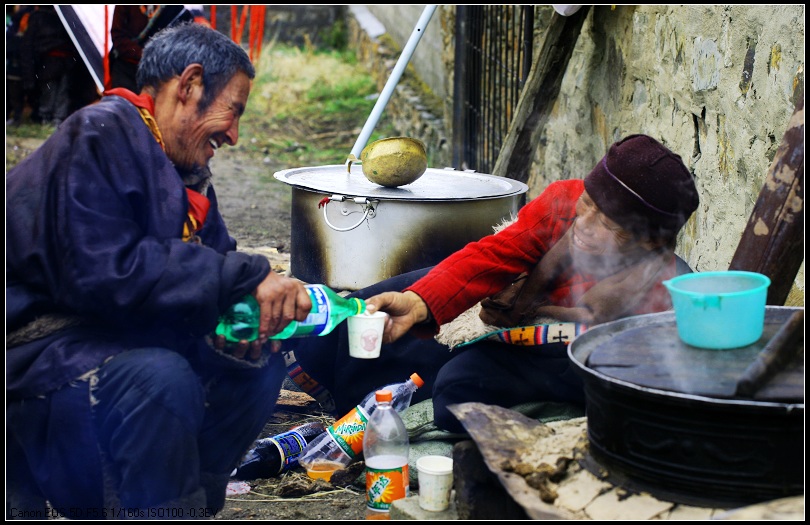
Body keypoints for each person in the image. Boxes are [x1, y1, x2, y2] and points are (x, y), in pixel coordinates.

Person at [6, 22, 313, 519]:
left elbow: (210, 269)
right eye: (232, 110)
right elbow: (103, 272)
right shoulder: (97, 135)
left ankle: (179, 507)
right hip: (38, 355)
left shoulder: (185, 171)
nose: (234, 135)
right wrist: (240, 278)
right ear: (188, 85)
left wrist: (246, 318)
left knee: (254, 365)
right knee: (159, 379)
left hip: (113, 340)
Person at [285, 134, 700, 433]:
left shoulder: (663, 287)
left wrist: (527, 315)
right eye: (586, 205)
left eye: (607, 224)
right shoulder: (562, 203)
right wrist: (419, 300)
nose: (584, 227)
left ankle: (364, 418)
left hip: (544, 344)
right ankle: (317, 373)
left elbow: (598, 346)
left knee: (442, 372)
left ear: (650, 240)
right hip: (508, 305)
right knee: (385, 300)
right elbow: (494, 254)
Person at [108, 5, 194, 92]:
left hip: (158, 74)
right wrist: (146, 56)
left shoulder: (173, 9)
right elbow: (118, 37)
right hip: (126, 71)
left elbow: (181, 43)